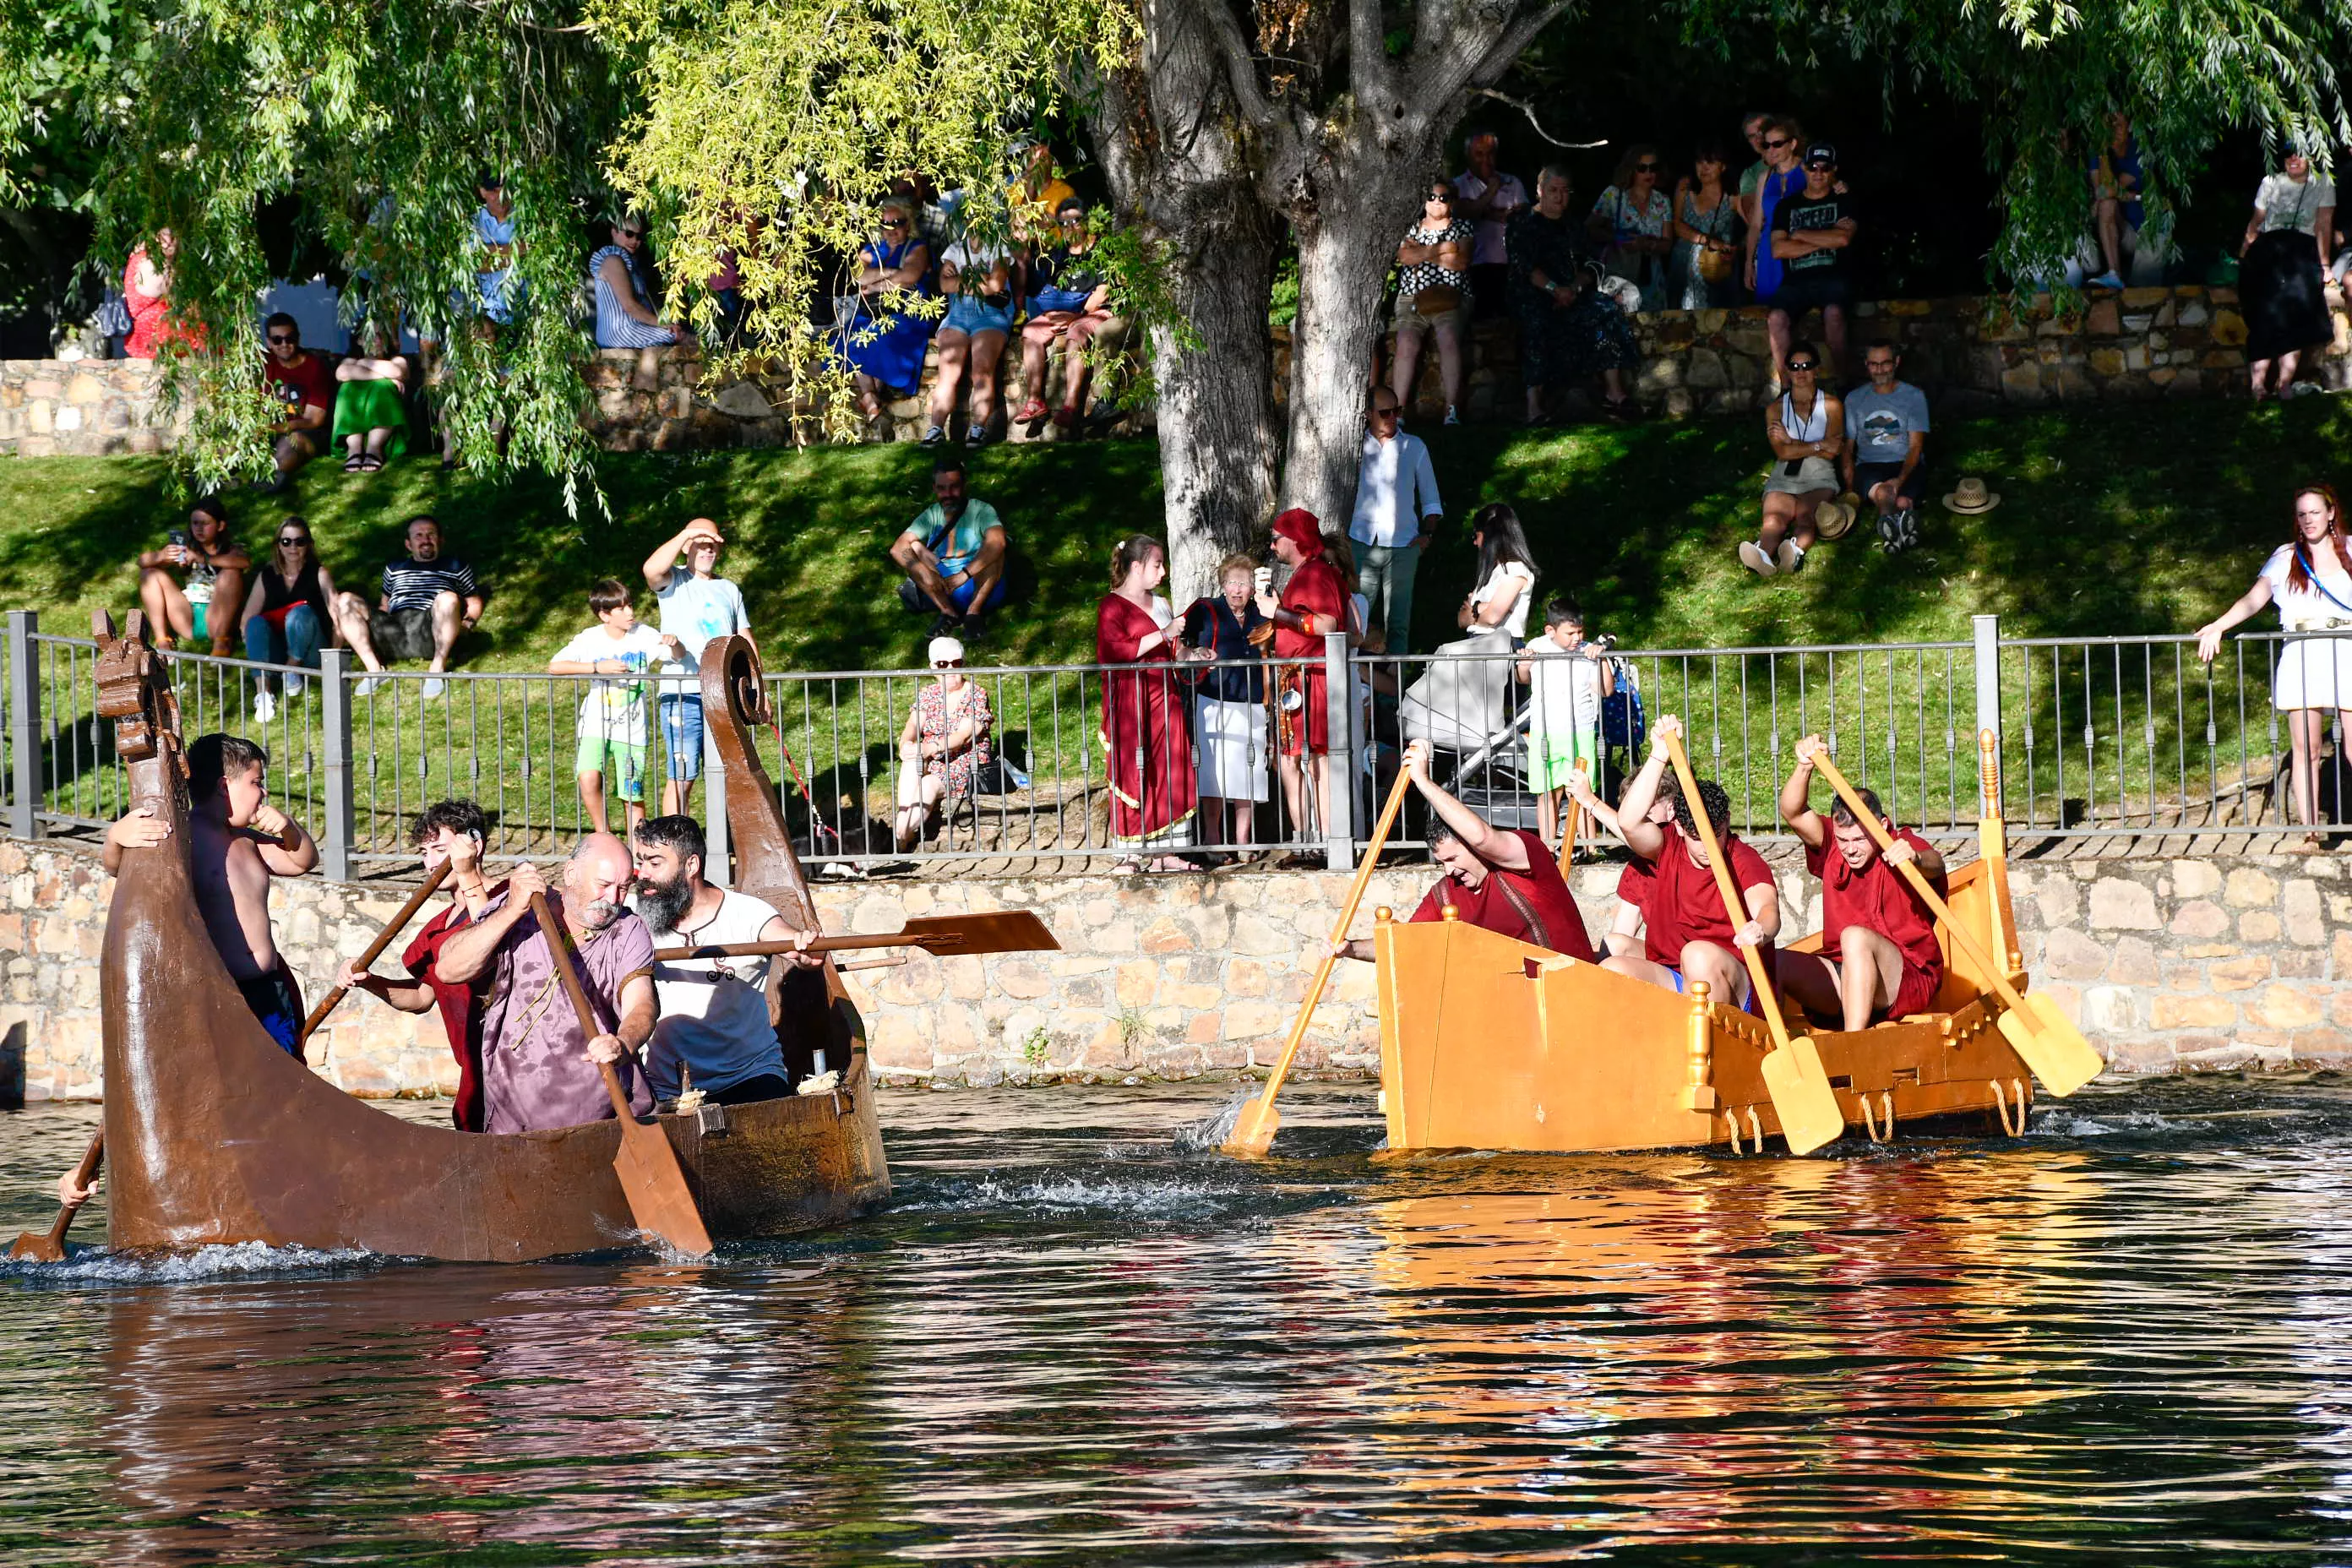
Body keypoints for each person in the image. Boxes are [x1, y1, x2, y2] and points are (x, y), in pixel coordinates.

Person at [108, 732, 320, 1054]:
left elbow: (301, 861)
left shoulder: (247, 841)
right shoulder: (182, 839)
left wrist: (289, 828)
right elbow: (119, 868)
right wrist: (115, 839)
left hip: (269, 988)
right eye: (256, 782)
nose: (263, 793)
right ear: (224, 786)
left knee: (285, 1080)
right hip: (223, 992)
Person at [433, 836, 656, 1135]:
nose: (613, 899)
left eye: (623, 887)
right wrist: (512, 910)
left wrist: (623, 1043)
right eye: (603, 885)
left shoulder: (628, 929)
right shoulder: (522, 910)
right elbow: (449, 969)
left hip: (603, 1116)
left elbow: (642, 1003)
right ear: (571, 874)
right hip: (513, 1116)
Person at [1334, 739, 1595, 961]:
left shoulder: (1526, 855)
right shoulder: (1447, 893)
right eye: (1442, 862)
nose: (1449, 870)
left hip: (1572, 994)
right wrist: (1351, 948)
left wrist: (1422, 782)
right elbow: (1407, 944)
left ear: (1471, 846)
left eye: (1452, 858)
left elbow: (1482, 838)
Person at [331, 798, 505, 1130]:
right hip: (476, 1080)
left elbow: (492, 946)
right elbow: (422, 998)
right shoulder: (435, 929)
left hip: (523, 1070)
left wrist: (468, 874)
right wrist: (369, 981)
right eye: (425, 853)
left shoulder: (512, 898)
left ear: (474, 844)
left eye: (440, 850)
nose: (430, 864)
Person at [2195, 483, 2352, 848]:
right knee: (2307, 748)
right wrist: (2219, 625)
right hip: (2301, 654)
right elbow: (2254, 599)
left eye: (2315, 512)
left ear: (2330, 513)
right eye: (2302, 514)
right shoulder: (2286, 556)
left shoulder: (2351, 548)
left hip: (2347, 649)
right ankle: (2310, 832)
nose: (2309, 520)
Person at [633, 814, 819, 1105]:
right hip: (665, 1085)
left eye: (655, 864)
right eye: (641, 861)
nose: (642, 873)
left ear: (691, 865)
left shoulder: (748, 913)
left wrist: (805, 949)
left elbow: (788, 940)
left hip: (749, 1076)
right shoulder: (632, 917)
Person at [1602, 716, 1778, 1008]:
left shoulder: (1743, 859)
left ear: (1727, 823)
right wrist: (1659, 755)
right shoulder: (1668, 844)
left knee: (1697, 955)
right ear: (1680, 828)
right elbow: (1629, 821)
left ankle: (1714, 1045)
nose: (1709, 845)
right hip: (1677, 976)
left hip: (1734, 984)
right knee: (1613, 970)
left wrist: (1760, 928)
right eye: (1698, 837)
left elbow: (1768, 908)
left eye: (1717, 834)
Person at [1775, 735, 1948, 1032]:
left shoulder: (1898, 843)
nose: (1850, 849)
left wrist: (1916, 858)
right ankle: (1770, 1051)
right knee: (1775, 962)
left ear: (1881, 826)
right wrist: (1804, 767)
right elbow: (1793, 812)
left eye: (1859, 839)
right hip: (1844, 973)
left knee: (1855, 937)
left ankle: (1852, 1044)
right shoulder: (1832, 842)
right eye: (1844, 840)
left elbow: (1936, 864)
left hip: (1904, 977)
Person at [1097, 534, 1201, 872]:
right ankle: (1130, 851)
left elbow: (1173, 651)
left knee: (1168, 768)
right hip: (1132, 701)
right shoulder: (1111, 606)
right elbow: (1116, 651)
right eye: (1157, 564)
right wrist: (1165, 633)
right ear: (1137, 566)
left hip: (1163, 696)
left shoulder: (1160, 603)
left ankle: (1165, 851)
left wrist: (1196, 655)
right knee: (1134, 770)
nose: (1163, 571)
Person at [640, 517, 755, 819]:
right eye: (701, 545)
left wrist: (759, 687)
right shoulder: (674, 581)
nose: (708, 551)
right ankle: (675, 848)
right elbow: (651, 570)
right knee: (683, 775)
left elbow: (745, 638)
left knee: (727, 774)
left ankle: (723, 849)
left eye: (713, 545)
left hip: (722, 694)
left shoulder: (729, 589)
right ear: (687, 547)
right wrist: (688, 533)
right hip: (683, 694)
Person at [1508, 165, 1639, 422]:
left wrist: (1574, 288)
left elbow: (1591, 263)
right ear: (1539, 191)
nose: (1559, 196)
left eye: (1564, 190)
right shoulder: (1521, 221)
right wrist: (1554, 290)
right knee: (1535, 321)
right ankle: (1534, 405)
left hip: (1571, 293)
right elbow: (1523, 266)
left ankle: (1615, 392)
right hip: (1533, 293)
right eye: (1553, 190)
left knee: (1605, 308)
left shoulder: (1573, 225)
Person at [550, 578, 678, 839]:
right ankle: (604, 837)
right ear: (604, 615)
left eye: (630, 605)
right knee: (588, 778)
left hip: (632, 729)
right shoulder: (590, 638)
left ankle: (638, 853)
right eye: (621, 608)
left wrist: (675, 643)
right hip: (595, 724)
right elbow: (555, 666)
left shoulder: (644, 634)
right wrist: (597, 668)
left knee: (632, 792)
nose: (630, 612)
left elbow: (676, 655)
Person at [1258, 508, 1350, 849]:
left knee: (1317, 761)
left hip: (1311, 680)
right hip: (1298, 679)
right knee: (1297, 758)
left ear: (1295, 539)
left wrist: (1277, 613)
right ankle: (1310, 841)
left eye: (1276, 538)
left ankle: (1324, 842)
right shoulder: (1309, 573)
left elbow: (1327, 625)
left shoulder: (1314, 574)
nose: (1272, 546)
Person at [335, 514, 484, 698]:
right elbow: (385, 604)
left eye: (431, 534)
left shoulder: (455, 566)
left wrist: (467, 622)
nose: (425, 540)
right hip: (394, 628)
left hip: (429, 627)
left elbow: (474, 601)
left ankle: (436, 670)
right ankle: (374, 670)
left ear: (440, 539)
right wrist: (370, 625)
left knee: (448, 598)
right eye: (418, 536)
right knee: (344, 599)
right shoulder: (394, 568)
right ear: (408, 544)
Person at [1181, 554, 1271, 857]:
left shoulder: (1261, 611)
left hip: (1252, 702)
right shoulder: (1206, 609)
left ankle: (1243, 840)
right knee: (1214, 774)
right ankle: (1212, 839)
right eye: (1232, 582)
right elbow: (1179, 640)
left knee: (1248, 773)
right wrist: (1196, 651)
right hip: (1213, 700)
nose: (1237, 589)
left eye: (1243, 584)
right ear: (1222, 584)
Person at [1015, 199, 1124, 433]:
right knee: (1030, 331)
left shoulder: (1102, 250)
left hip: (1095, 312)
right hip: (1067, 314)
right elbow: (1045, 291)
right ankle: (1036, 401)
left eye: (1075, 221)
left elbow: (1101, 295)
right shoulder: (1056, 255)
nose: (1070, 227)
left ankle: (1071, 407)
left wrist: (1075, 316)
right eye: (1064, 223)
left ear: (1085, 222)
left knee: (1077, 331)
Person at [1349, 389, 1445, 655]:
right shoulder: (1354, 446)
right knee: (1357, 618)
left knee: (1399, 622)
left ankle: (1395, 688)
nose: (1392, 417)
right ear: (1368, 414)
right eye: (1384, 412)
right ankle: (1358, 685)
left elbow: (1431, 498)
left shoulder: (1413, 446)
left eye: (1396, 411)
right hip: (1361, 542)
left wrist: (1427, 535)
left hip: (1404, 545)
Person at [1740, 342, 1844, 579]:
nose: (1801, 372)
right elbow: (1783, 454)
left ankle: (1794, 551)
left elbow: (1832, 452)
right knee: (1773, 520)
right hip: (1784, 473)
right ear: (1786, 371)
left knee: (1806, 518)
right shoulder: (1775, 409)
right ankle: (1763, 555)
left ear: (1816, 370)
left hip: (1819, 474)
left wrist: (1791, 441)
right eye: (1794, 366)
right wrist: (1817, 445)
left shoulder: (1832, 405)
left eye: (1806, 365)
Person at [1518, 598, 1614, 848]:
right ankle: (1547, 848)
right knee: (1547, 793)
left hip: (1579, 731)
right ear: (1550, 631)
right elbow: (1522, 677)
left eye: (1580, 631)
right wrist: (1525, 660)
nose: (1576, 637)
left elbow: (1605, 690)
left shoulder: (1587, 651)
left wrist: (1601, 659)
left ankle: (1590, 848)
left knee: (1581, 792)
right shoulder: (1537, 646)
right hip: (1545, 732)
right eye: (1570, 633)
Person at [2240, 149, 2334, 401]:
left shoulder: (2323, 182)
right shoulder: (2270, 181)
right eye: (2287, 155)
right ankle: (2258, 386)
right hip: (2269, 250)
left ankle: (2284, 384)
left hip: (2301, 251)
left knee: (2295, 317)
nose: (2293, 159)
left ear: (2310, 158)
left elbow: (2323, 224)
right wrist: (2244, 253)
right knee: (2263, 316)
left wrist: (2324, 265)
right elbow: (2256, 221)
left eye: (2299, 154)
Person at [892, 634, 995, 852]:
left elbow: (963, 736)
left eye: (956, 663)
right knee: (912, 761)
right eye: (942, 664)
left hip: (966, 760)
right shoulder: (928, 694)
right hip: (934, 758)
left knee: (928, 784)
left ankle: (899, 836)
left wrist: (931, 747)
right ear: (932, 667)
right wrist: (906, 745)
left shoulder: (976, 694)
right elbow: (912, 726)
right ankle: (901, 831)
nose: (950, 669)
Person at [1765, 143, 1857, 382]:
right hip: (1796, 282)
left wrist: (1800, 234)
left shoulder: (1843, 200)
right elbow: (1778, 249)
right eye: (1812, 167)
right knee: (1775, 318)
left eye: (1825, 168)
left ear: (1833, 170)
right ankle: (1788, 388)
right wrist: (1827, 238)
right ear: (1804, 169)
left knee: (1835, 313)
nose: (1818, 172)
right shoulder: (1787, 206)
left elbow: (1844, 238)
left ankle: (1844, 382)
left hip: (1833, 278)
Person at [890, 455, 1010, 636]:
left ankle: (973, 613)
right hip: (944, 585)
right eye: (941, 488)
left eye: (954, 487)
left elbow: (998, 542)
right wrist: (924, 574)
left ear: (964, 486)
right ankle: (948, 612)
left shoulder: (981, 510)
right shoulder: (931, 514)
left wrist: (964, 575)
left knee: (996, 549)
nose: (948, 495)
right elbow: (897, 548)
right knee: (912, 547)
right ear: (934, 488)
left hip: (982, 585)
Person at [1567, 766, 1678, 960]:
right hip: (1667, 961)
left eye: (1646, 811)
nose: (1638, 821)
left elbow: (1637, 833)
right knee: (1613, 946)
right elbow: (1621, 936)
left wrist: (1590, 801)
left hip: (1705, 958)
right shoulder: (1638, 870)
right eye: (1633, 813)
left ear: (1671, 809)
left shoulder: (1683, 844)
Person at [1391, 179, 1476, 426]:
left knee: (1448, 336)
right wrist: (1443, 250)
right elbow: (1404, 257)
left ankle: (1452, 411)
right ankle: (1398, 412)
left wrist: (1423, 252)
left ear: (1452, 201)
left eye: (1444, 197)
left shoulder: (1463, 227)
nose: (1437, 201)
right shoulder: (1412, 227)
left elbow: (1461, 263)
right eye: (1431, 196)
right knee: (1406, 341)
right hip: (1411, 297)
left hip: (1450, 296)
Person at [844, 197, 935, 426]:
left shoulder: (917, 247)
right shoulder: (872, 248)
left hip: (908, 312)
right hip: (874, 310)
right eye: (886, 224)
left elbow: (910, 276)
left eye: (898, 223)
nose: (892, 229)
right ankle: (872, 398)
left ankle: (871, 401)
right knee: (850, 337)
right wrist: (892, 272)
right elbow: (857, 275)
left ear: (908, 224)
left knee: (880, 336)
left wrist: (876, 283)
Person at [927, 221, 1019, 446]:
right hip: (958, 314)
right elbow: (945, 285)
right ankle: (935, 429)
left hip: (990, 313)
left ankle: (978, 429)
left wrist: (962, 280)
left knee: (982, 371)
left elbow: (996, 285)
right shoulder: (955, 250)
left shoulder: (999, 247)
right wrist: (979, 281)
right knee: (947, 374)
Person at [238, 516, 338, 721]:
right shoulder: (267, 575)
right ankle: (263, 694)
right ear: (278, 545)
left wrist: (334, 658)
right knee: (254, 623)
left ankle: (292, 669)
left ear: (309, 545)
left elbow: (337, 614)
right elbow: (247, 617)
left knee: (300, 613)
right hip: (277, 648)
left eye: (299, 541)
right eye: (286, 541)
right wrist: (254, 644)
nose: (293, 547)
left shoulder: (319, 573)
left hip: (311, 650)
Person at [1843, 340, 1930, 552]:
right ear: (1866, 364)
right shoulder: (1854, 399)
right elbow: (1847, 448)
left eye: (1885, 363)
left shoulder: (1914, 397)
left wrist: (1900, 479)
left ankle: (1892, 533)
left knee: (1901, 501)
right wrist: (1849, 489)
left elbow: (1916, 447)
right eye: (1874, 364)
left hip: (1906, 462)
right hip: (1869, 465)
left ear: (1897, 362)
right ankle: (1898, 528)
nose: (1879, 370)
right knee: (1884, 493)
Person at [136, 495, 248, 656]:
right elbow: (141, 562)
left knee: (231, 574)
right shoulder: (186, 547)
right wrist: (161, 556)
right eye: (195, 523)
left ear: (220, 526)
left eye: (205, 523)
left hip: (216, 617)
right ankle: (162, 641)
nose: (199, 528)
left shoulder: (231, 549)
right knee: (149, 574)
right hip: (185, 615)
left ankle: (222, 641)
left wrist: (203, 559)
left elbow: (243, 562)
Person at [1744, 117, 1807, 369]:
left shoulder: (1808, 170)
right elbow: (1756, 224)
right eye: (1766, 145)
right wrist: (1749, 263)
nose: (1770, 150)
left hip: (1799, 249)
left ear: (1792, 144)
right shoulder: (1764, 176)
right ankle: (1785, 383)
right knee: (1773, 316)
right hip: (1769, 254)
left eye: (1776, 144)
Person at [1451, 130, 1528, 318]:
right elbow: (1463, 212)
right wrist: (1492, 191)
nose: (1486, 159)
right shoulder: (1457, 185)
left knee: (1511, 326)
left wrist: (1482, 211)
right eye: (1479, 154)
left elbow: (1523, 217)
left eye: (1490, 153)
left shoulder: (1512, 182)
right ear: (1468, 155)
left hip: (1510, 266)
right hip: (1474, 267)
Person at [1589, 145, 1674, 312]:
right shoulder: (1613, 195)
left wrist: (1647, 245)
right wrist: (1619, 239)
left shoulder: (1663, 201)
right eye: (1642, 168)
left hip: (1651, 280)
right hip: (1619, 276)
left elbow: (1668, 244)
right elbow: (1590, 228)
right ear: (1631, 169)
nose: (1649, 173)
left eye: (1653, 168)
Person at [590, 212, 685, 349]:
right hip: (621, 332)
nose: (635, 240)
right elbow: (630, 307)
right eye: (629, 234)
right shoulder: (612, 260)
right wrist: (665, 324)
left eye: (639, 236)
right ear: (614, 232)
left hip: (631, 328)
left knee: (680, 333)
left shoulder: (627, 261)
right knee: (685, 338)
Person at [259, 313, 332, 490]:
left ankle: (270, 477)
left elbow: (314, 420)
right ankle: (215, 476)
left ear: (298, 339)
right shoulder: (264, 364)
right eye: (277, 340)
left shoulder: (315, 367)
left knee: (293, 440)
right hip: (270, 427)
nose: (284, 344)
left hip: (306, 431)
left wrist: (276, 428)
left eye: (289, 338)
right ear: (269, 342)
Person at [331, 318, 412, 474]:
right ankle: (354, 450)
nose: (376, 340)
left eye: (380, 335)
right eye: (370, 335)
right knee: (347, 387)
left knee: (384, 387)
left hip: (386, 427)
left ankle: (374, 449)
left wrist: (364, 364)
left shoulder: (397, 360)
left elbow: (396, 372)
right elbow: (341, 373)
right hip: (356, 425)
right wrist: (383, 377)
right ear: (360, 340)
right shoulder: (350, 360)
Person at [1672, 141, 1742, 309]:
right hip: (1682, 266)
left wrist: (1736, 250)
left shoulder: (1733, 195)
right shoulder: (1685, 186)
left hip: (1716, 268)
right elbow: (1677, 224)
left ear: (1723, 167)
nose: (1703, 168)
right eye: (1699, 162)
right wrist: (1708, 241)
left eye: (1710, 162)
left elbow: (1751, 227)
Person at [1457, 502, 1538, 642]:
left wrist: (1475, 609)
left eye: (1476, 536)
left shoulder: (1516, 570)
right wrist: (1481, 608)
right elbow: (1461, 620)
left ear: (1491, 536)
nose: (1475, 543)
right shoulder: (1491, 571)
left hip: (1500, 647)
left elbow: (1492, 617)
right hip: (1476, 643)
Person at [2085, 112, 2145, 291]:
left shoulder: (2138, 151)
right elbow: (2101, 191)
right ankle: (2114, 274)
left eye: (2118, 125)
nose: (2113, 130)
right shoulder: (2098, 150)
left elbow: (2109, 189)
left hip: (2139, 233)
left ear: (2129, 128)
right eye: (2109, 125)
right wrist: (2103, 152)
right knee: (2106, 205)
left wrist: (2132, 197)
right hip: (2116, 226)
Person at [122, 229, 188, 358]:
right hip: (152, 339)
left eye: (173, 238)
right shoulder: (152, 264)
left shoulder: (141, 256)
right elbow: (176, 294)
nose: (168, 243)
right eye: (164, 238)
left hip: (148, 336)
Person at [471, 172, 521, 324]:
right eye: (494, 191)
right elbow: (474, 264)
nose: (500, 196)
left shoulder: (525, 217)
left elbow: (536, 254)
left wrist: (489, 252)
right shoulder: (473, 221)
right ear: (483, 192)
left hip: (523, 314)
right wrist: (518, 251)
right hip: (487, 318)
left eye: (504, 190)